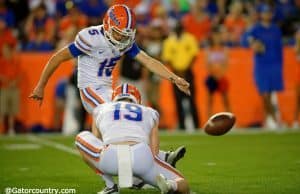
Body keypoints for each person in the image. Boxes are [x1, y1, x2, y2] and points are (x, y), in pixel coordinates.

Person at [29, 3, 188, 188]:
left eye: (125, 34)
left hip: (108, 89)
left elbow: (148, 61)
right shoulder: (90, 38)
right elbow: (57, 57)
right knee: (122, 124)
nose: (122, 37)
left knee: (132, 115)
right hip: (90, 90)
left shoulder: (124, 41)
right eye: (119, 32)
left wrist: (174, 78)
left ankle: (144, 171)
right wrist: (41, 86)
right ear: (107, 24)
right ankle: (134, 174)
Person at [75, 83, 190, 194]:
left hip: (110, 157)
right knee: (181, 182)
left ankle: (110, 186)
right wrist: (149, 172)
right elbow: (154, 151)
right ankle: (170, 185)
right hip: (141, 156)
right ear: (137, 100)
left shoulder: (101, 108)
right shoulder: (149, 111)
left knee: (82, 137)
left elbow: (97, 141)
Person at [248, 4, 283, 129]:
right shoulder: (256, 29)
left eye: (268, 12)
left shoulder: (276, 29)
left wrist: (280, 66)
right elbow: (247, 39)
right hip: (261, 65)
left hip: (274, 65)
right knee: (264, 94)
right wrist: (254, 43)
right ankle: (274, 118)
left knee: (271, 93)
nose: (266, 15)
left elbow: (279, 49)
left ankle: (269, 120)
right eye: (264, 12)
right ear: (261, 14)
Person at [162, 22, 199, 130]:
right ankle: (182, 125)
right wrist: (177, 72)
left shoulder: (189, 38)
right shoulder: (169, 41)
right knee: (178, 100)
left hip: (188, 72)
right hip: (175, 74)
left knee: (191, 98)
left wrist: (185, 69)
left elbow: (194, 54)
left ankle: (196, 125)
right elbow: (167, 58)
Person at [205, 27, 231, 118]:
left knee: (225, 99)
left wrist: (220, 75)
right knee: (210, 100)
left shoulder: (224, 49)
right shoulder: (209, 50)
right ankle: (209, 119)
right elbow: (207, 65)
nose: (216, 38)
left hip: (221, 77)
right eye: (215, 36)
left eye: (218, 36)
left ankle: (229, 118)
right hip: (212, 77)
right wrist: (214, 74)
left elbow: (226, 64)